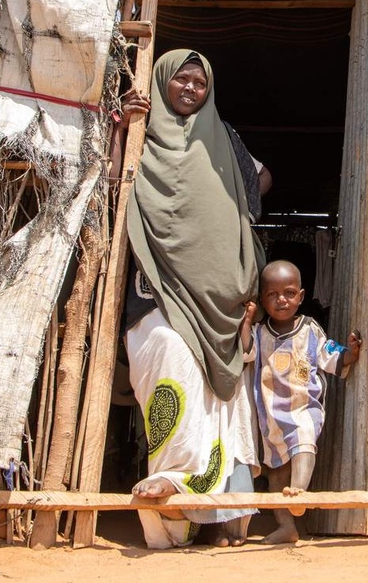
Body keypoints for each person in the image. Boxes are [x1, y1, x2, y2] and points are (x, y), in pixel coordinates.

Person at [113, 49, 270, 549]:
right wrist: (122, 124)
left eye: (199, 84)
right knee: (174, 369)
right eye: (179, 80)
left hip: (221, 306)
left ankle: (224, 519)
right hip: (157, 293)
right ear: (162, 83)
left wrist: (234, 215)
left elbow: (260, 178)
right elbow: (110, 180)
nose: (189, 89)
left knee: (226, 407)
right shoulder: (139, 132)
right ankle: (175, 504)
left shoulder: (224, 139)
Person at [239, 259, 362, 544]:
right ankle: (286, 526)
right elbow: (245, 354)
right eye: (273, 295)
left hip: (303, 407)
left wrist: (351, 353)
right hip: (270, 415)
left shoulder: (310, 329)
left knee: (304, 439)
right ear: (262, 299)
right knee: (275, 476)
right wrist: (247, 321)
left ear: (301, 296)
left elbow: (330, 355)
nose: (282, 300)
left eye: (290, 293)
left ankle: (300, 492)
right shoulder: (259, 333)